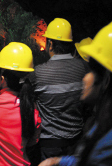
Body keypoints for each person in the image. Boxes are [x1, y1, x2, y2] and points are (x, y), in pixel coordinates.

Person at [39, 18, 112, 166]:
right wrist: (57, 161)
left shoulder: (111, 143)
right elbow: (85, 158)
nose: (84, 77)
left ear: (105, 80)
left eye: (90, 71)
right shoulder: (104, 123)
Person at [30, 18, 89, 161]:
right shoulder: (84, 68)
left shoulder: (38, 73)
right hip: (77, 141)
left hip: (49, 144)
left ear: (50, 45)